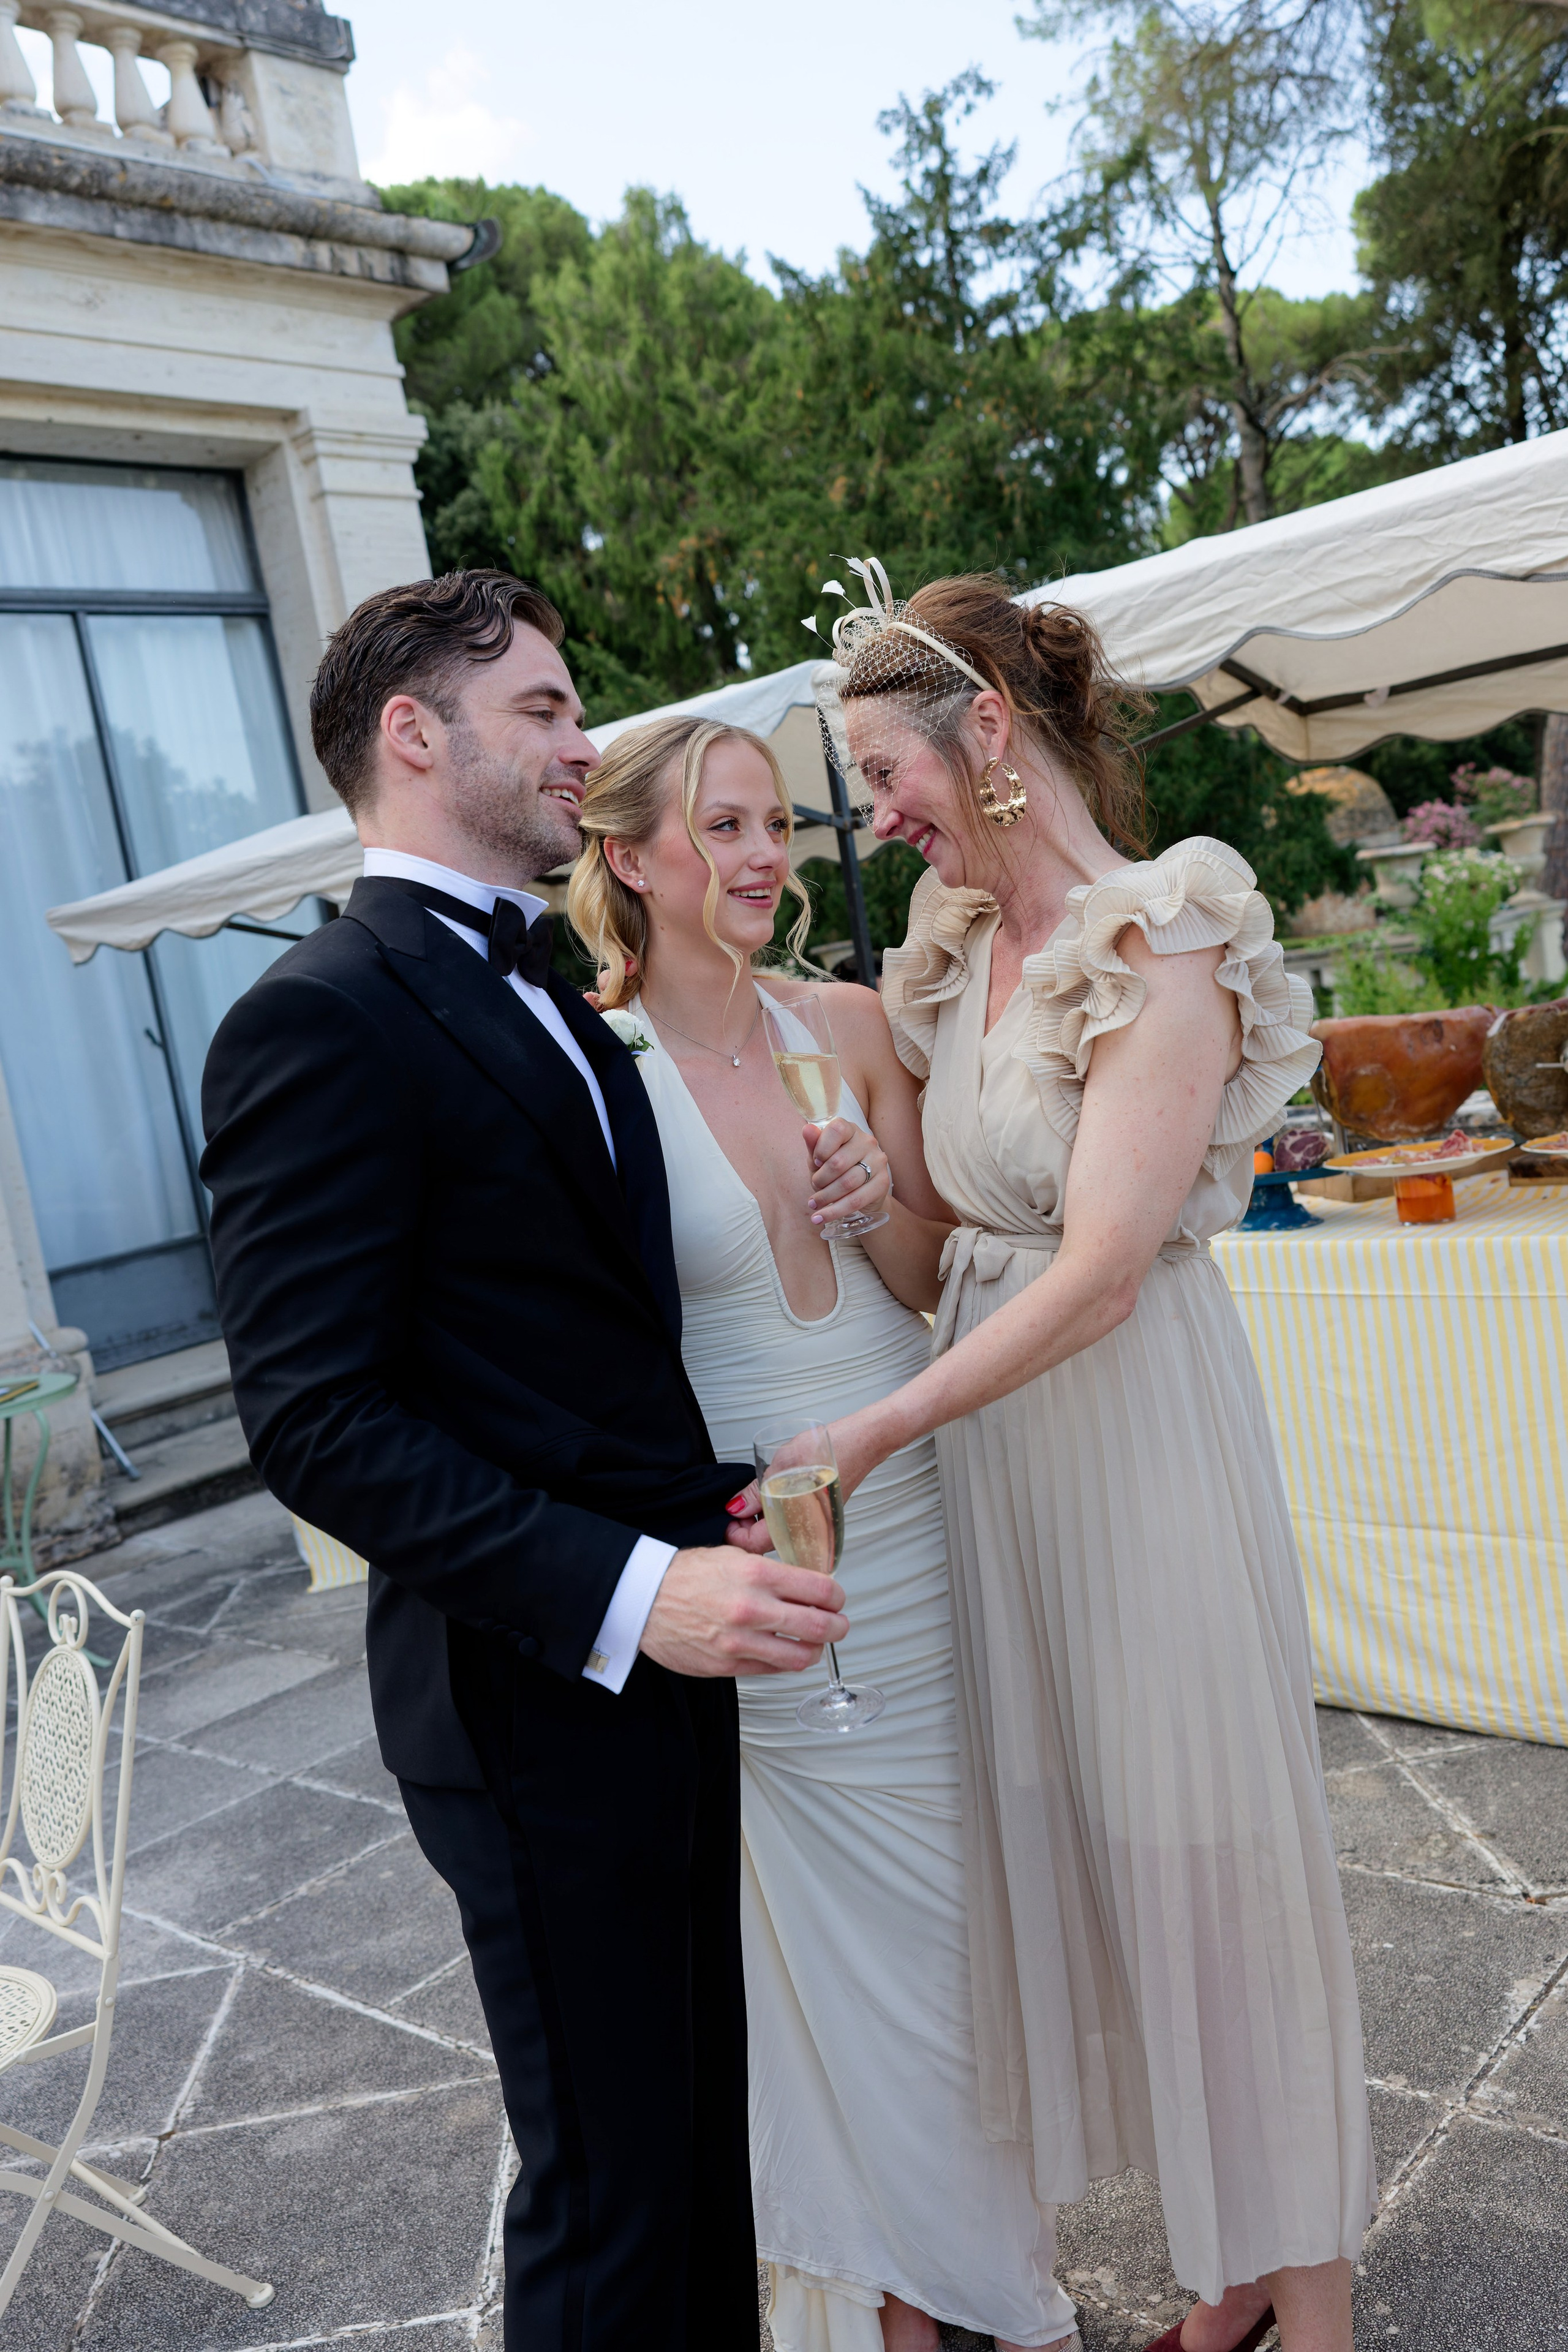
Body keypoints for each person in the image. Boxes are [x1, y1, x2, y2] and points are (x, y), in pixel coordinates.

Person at [199, 571, 851, 2352]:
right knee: (611, 2203)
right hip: (526, 1695)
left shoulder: (553, 987)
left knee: (699, 2155)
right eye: (546, 711)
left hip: (666, 1661)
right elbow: (316, 1422)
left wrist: (707, 1522)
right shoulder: (318, 1017)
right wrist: (638, 1593)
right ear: (415, 734)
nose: (584, 742)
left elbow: (563, 1342)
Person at [741, 561, 1378, 2352]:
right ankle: (1230, 2275)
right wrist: (867, 1204)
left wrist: (870, 1430)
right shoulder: (950, 955)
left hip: (1132, 1439)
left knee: (1207, 1867)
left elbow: (1098, 1272)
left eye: (888, 775)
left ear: (991, 732)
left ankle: (1312, 2307)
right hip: (1002, 1464)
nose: (877, 817)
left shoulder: (1163, 932)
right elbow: (944, 1258)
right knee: (1099, 1862)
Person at [565, 711, 1083, 2352]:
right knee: (831, 1948)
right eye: (721, 826)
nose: (762, 855)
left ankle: (969, 2265)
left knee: (961, 1922)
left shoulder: (843, 1023)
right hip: (765, 1551)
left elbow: (937, 1283)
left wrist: (885, 1208)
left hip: (915, 1510)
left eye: (775, 822)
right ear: (630, 856)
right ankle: (892, 2305)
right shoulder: (595, 1066)